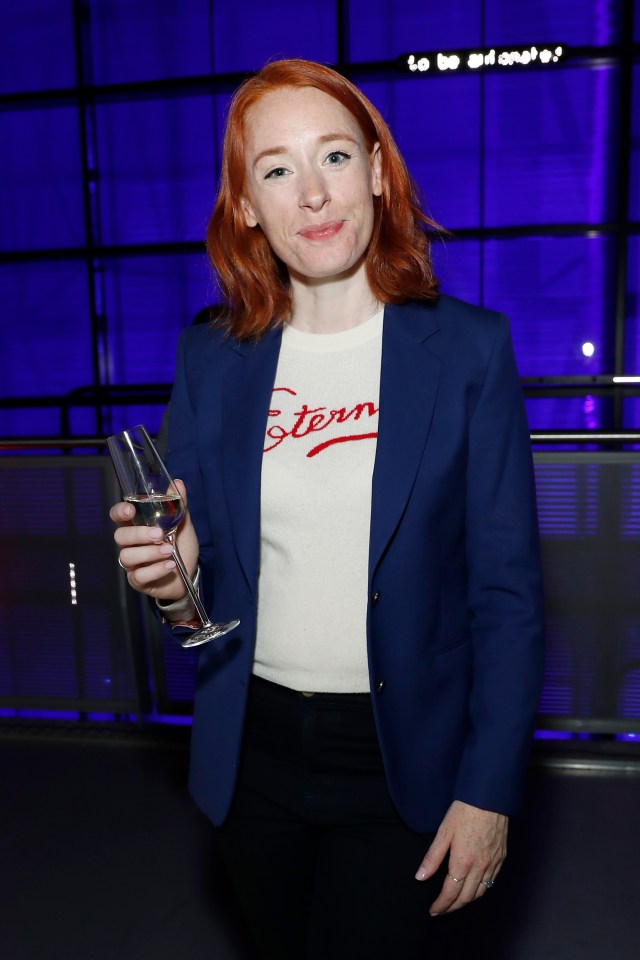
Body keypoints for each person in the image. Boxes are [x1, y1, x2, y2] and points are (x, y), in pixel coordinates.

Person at [110, 58, 544, 959]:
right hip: (252, 751)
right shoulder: (213, 356)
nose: (312, 193)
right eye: (275, 170)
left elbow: (507, 595)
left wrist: (491, 790)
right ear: (246, 208)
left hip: (403, 759)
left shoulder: (468, 351)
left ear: (379, 172)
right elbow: (197, 593)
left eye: (335, 157)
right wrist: (180, 577)